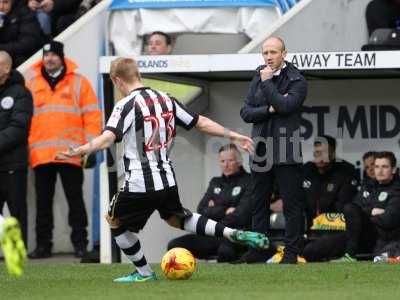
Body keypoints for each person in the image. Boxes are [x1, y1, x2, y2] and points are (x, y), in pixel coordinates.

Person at [57, 57, 269, 283]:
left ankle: (144, 273)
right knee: (176, 218)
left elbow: (108, 138)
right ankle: (230, 233)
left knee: (113, 218)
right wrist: (234, 135)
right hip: (167, 178)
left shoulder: (126, 105)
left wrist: (81, 149)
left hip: (140, 181)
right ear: (137, 74)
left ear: (117, 80)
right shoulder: (166, 99)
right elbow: (201, 122)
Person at [25, 40, 102, 259]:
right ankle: (43, 246)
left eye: (53, 55)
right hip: (40, 154)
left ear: (62, 57)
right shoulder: (30, 82)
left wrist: (88, 148)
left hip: (71, 153)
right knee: (42, 203)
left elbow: (92, 117)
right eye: (46, 55)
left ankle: (80, 244)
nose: (49, 59)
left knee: (75, 201)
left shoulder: (79, 82)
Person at [240, 36, 307, 263]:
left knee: (291, 205)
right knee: (258, 204)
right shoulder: (257, 75)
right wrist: (268, 110)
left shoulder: (297, 79)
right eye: (265, 53)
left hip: (286, 151)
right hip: (261, 150)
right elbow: (246, 112)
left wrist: (268, 84)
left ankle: (291, 253)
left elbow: (286, 106)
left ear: (284, 54)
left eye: (273, 52)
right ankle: (259, 249)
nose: (269, 57)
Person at [168, 144, 252, 262]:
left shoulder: (249, 181)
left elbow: (242, 215)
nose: (226, 165)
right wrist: (225, 210)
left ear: (239, 161)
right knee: (174, 245)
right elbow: (201, 210)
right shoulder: (215, 182)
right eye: (222, 161)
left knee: (225, 251)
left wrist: (214, 210)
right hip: (212, 234)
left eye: (230, 160)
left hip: (235, 234)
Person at [333, 151, 400, 262]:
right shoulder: (368, 186)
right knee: (315, 248)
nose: (379, 170)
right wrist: (372, 211)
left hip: (383, 239)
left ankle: (350, 255)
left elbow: (389, 219)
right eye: (377, 166)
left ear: (393, 169)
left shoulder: (397, 189)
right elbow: (355, 207)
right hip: (359, 235)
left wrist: (366, 213)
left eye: (384, 167)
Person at [0, 51, 33, 244]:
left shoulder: (21, 93)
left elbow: (19, 128)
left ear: (6, 68)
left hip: (13, 165)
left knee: (16, 214)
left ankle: (16, 257)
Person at [302, 136, 358, 228]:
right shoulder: (306, 170)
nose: (320, 157)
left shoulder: (346, 171)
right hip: (307, 223)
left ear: (333, 153)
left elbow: (343, 205)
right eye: (317, 152)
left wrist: (319, 221)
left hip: (335, 224)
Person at [0, 0, 44, 67]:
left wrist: (2, 48)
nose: (1, 7)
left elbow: (28, 43)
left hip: (23, 57)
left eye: (5, 2)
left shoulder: (24, 12)